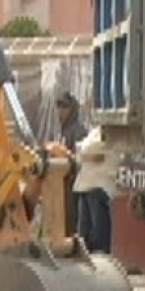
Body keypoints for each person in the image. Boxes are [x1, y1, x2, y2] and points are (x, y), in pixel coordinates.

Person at [73, 125, 119, 254]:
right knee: (83, 232)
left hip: (100, 185)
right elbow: (81, 150)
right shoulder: (94, 131)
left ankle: (101, 260)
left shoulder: (114, 132)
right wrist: (83, 153)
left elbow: (94, 150)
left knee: (98, 233)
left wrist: (83, 153)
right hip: (85, 185)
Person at [55, 92, 88, 235]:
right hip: (63, 184)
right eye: (59, 106)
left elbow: (80, 159)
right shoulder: (62, 131)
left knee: (72, 219)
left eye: (64, 107)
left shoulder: (78, 130)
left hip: (74, 184)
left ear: (72, 109)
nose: (61, 111)